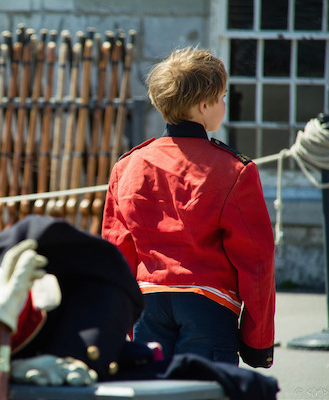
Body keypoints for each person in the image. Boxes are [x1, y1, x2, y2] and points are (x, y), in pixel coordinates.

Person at [101, 47, 275, 369]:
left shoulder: (128, 166)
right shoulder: (234, 170)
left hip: (147, 302)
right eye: (222, 97)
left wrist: (122, 323)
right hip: (208, 305)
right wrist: (258, 341)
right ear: (204, 105)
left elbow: (117, 254)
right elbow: (257, 261)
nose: (224, 104)